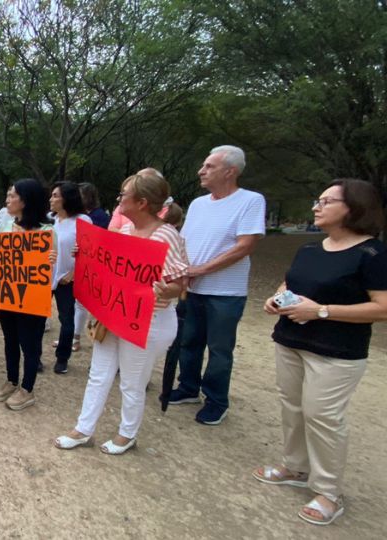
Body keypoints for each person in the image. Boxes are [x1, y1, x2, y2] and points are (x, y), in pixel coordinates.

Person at [254, 179, 387, 526]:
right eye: (318, 200)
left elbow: (383, 307)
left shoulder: (372, 254)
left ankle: (329, 492)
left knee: (323, 417)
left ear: (354, 208)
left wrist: (322, 311)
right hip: (291, 342)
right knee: (293, 407)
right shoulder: (310, 249)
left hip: (336, 352)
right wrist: (277, 298)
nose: (317, 206)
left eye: (327, 201)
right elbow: (290, 284)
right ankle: (295, 466)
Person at [54, 172, 188, 454]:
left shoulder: (166, 236)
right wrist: (85, 254)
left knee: (132, 382)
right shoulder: (124, 232)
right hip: (114, 316)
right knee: (99, 374)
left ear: (141, 202)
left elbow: (181, 283)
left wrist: (167, 290)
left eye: (123, 195)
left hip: (148, 321)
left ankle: (127, 434)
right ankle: (83, 429)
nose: (119, 200)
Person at [169, 145, 266, 425]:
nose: (202, 170)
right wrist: (182, 268)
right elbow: (183, 241)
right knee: (188, 341)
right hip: (192, 288)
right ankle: (188, 387)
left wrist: (200, 269)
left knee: (220, 349)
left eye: (209, 166)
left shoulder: (250, 201)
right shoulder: (199, 204)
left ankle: (216, 400)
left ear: (230, 171)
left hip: (226, 292)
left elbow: (244, 246)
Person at [0, 179, 54, 410]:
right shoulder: (6, 227)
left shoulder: (46, 232)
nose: (8, 199)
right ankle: (11, 379)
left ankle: (27, 389)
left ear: (25, 200)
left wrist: (50, 261)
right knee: (10, 339)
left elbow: (48, 271)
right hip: (7, 295)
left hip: (32, 299)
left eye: (12, 195)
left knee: (30, 343)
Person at [49, 182, 91, 373]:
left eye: (56, 195)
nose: (52, 199)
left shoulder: (82, 220)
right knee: (37, 318)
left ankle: (62, 358)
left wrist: (72, 274)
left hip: (67, 278)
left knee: (67, 319)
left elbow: (89, 251)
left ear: (66, 198)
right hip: (46, 277)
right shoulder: (52, 220)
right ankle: (35, 358)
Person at [71, 182, 110, 352]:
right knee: (76, 304)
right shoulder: (76, 216)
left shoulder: (99, 217)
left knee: (86, 303)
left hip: (93, 266)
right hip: (79, 263)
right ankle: (73, 336)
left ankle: (81, 337)